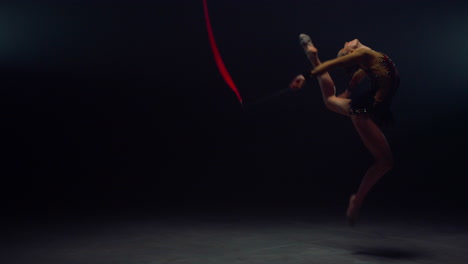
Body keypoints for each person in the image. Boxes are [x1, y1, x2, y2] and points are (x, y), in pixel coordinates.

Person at [289, 34, 399, 226]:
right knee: (385, 162)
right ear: (352, 53)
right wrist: (305, 76)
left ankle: (313, 57)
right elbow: (333, 64)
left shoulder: (372, 57)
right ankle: (356, 201)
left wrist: (354, 81)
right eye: (345, 47)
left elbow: (368, 73)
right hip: (365, 111)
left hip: (374, 108)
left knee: (330, 101)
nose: (346, 42)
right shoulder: (363, 53)